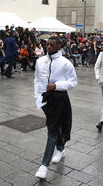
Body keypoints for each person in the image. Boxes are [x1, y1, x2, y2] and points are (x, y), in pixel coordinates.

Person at [34, 36, 77, 179]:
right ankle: (60, 148)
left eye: (52, 45)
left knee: (52, 129)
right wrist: (37, 97)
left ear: (59, 46)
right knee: (54, 126)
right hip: (45, 100)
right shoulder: (40, 61)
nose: (48, 47)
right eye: (47, 45)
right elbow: (37, 79)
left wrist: (56, 85)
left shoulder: (66, 63)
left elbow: (73, 82)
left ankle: (44, 165)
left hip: (60, 99)